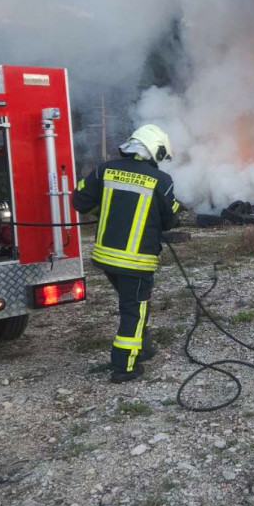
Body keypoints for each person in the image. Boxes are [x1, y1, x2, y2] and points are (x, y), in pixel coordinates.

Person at [72, 124, 180, 383]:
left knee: (135, 304)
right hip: (137, 262)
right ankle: (125, 366)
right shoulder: (162, 181)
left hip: (106, 258)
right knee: (133, 310)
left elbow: (80, 201)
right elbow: (170, 220)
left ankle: (143, 346)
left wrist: (110, 210)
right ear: (155, 150)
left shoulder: (105, 170)